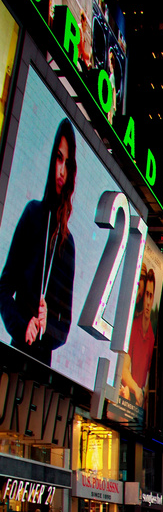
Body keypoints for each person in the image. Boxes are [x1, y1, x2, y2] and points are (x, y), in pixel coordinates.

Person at [0, 119, 77, 366]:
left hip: (43, 367)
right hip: (14, 354)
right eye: (58, 158)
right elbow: (3, 289)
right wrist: (23, 326)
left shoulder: (69, 244)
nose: (61, 171)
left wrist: (46, 329)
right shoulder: (32, 214)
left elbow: (64, 326)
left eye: (67, 163)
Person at [120, 267, 156, 405]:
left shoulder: (152, 336)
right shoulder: (133, 326)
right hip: (124, 401)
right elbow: (124, 369)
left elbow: (148, 379)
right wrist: (136, 389)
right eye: (145, 294)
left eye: (150, 295)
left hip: (137, 409)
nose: (147, 301)